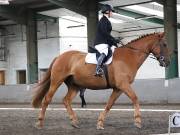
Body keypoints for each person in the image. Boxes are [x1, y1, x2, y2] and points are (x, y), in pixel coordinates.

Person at [94, 4, 119, 77]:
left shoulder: (106, 20)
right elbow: (104, 33)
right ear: (107, 11)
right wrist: (113, 39)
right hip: (100, 42)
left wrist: (114, 41)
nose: (112, 13)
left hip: (105, 41)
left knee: (114, 49)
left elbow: (107, 34)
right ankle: (98, 69)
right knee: (104, 52)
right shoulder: (103, 20)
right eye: (111, 11)